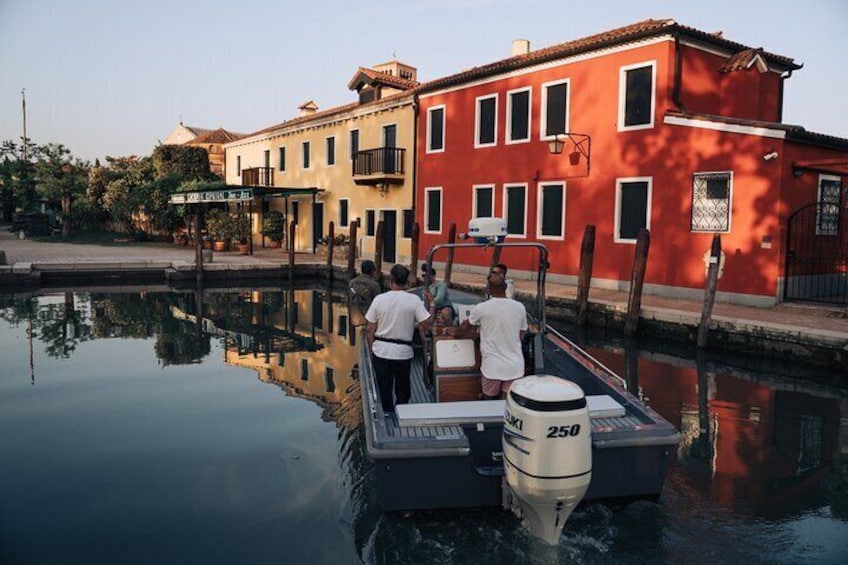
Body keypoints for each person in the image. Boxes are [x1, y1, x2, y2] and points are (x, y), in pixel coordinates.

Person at [448, 272, 526, 399]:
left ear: (488, 289)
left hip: (493, 367)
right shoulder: (520, 307)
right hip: (515, 367)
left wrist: (454, 332)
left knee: (489, 400)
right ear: (506, 287)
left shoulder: (482, 308)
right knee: (507, 403)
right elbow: (521, 335)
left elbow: (464, 327)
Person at [366, 264, 431, 412]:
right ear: (407, 281)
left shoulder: (379, 299)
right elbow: (425, 325)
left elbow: (370, 329)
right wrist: (432, 303)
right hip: (403, 352)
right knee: (403, 390)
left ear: (391, 280)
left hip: (381, 351)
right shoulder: (414, 300)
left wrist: (371, 350)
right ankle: (401, 412)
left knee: (384, 387)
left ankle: (388, 413)